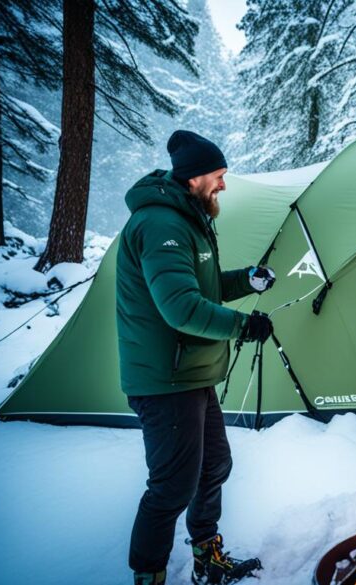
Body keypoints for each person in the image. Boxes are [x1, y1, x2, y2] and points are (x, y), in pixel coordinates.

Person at [117, 130, 276, 585]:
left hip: (191, 373)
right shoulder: (161, 225)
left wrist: (247, 280)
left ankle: (207, 557)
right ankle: (149, 575)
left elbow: (200, 289)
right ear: (194, 178)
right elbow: (180, 308)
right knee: (170, 487)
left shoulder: (189, 219)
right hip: (164, 381)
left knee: (213, 466)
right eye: (219, 176)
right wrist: (243, 325)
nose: (224, 185)